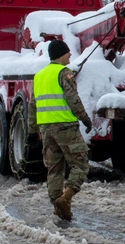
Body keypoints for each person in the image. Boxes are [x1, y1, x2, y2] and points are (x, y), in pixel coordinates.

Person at [29, 39, 93, 221]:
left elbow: (32, 105)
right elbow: (73, 98)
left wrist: (32, 132)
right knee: (80, 164)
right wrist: (85, 118)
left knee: (54, 169)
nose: (70, 55)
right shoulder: (64, 73)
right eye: (67, 53)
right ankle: (66, 198)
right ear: (60, 54)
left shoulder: (39, 76)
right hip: (66, 127)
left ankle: (60, 208)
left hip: (46, 130)